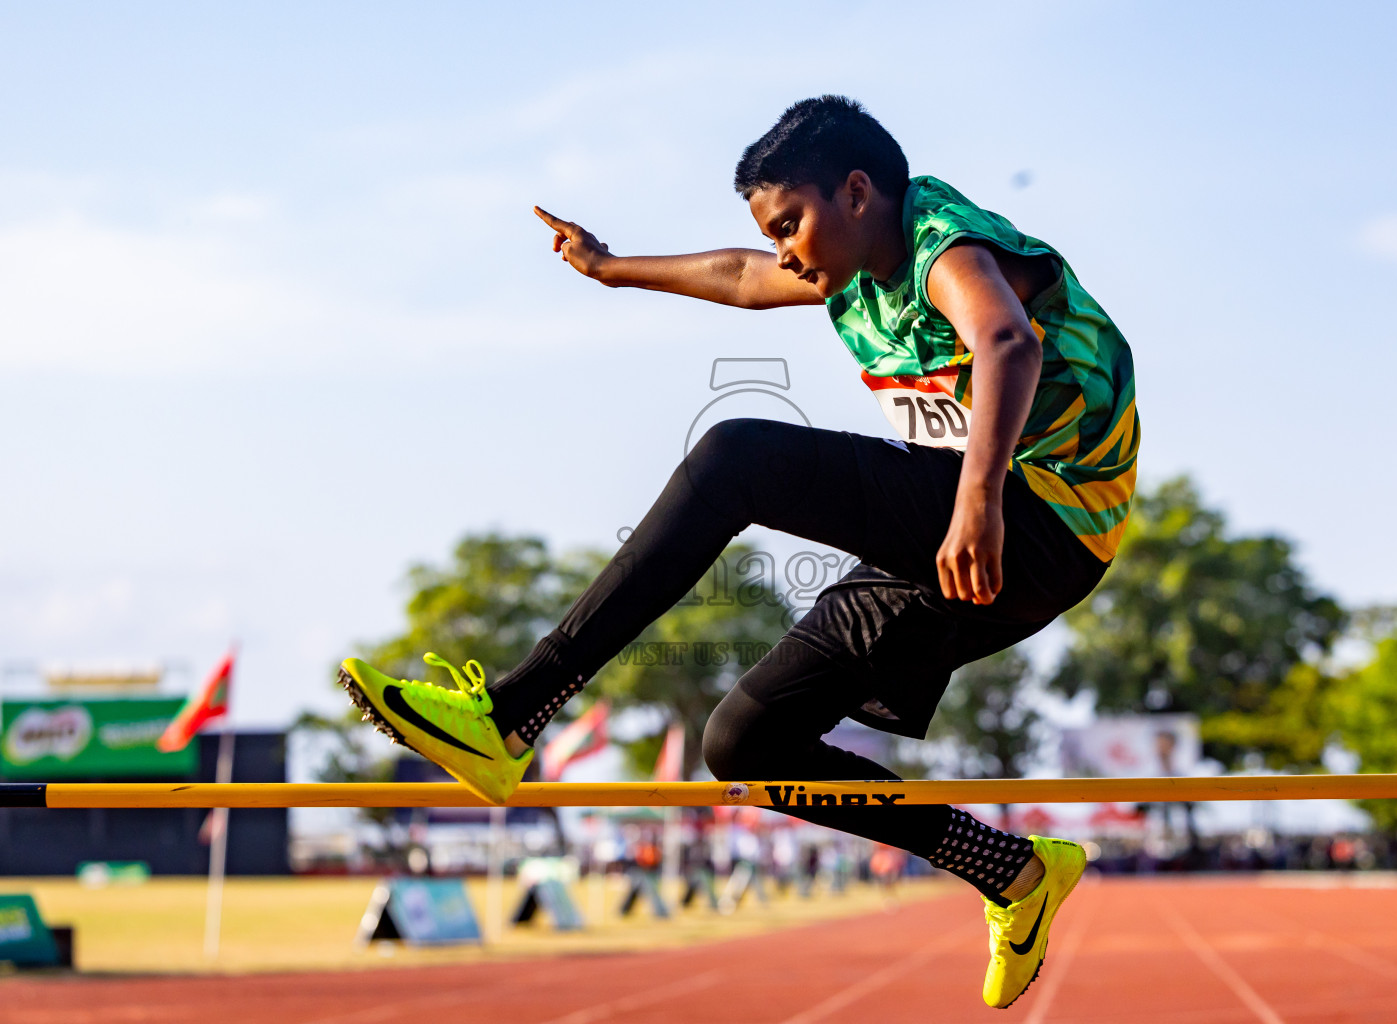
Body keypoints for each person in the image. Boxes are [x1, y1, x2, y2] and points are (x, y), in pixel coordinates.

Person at [339, 95, 1138, 1009]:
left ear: (859, 191)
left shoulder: (939, 245)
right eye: (777, 234)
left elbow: (1005, 342)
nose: (788, 252)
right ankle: (1013, 873)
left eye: (793, 224)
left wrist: (979, 500)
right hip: (978, 533)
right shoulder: (847, 270)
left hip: (1037, 517)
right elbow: (742, 275)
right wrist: (611, 270)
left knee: (737, 456)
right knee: (747, 742)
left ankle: (517, 710)